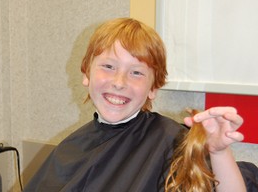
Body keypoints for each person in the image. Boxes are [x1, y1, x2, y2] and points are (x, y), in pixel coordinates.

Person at [24, 18, 254, 192]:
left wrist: (219, 152)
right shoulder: (69, 149)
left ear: (153, 88)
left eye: (136, 72)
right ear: (86, 73)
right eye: (108, 67)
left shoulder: (171, 143)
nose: (119, 82)